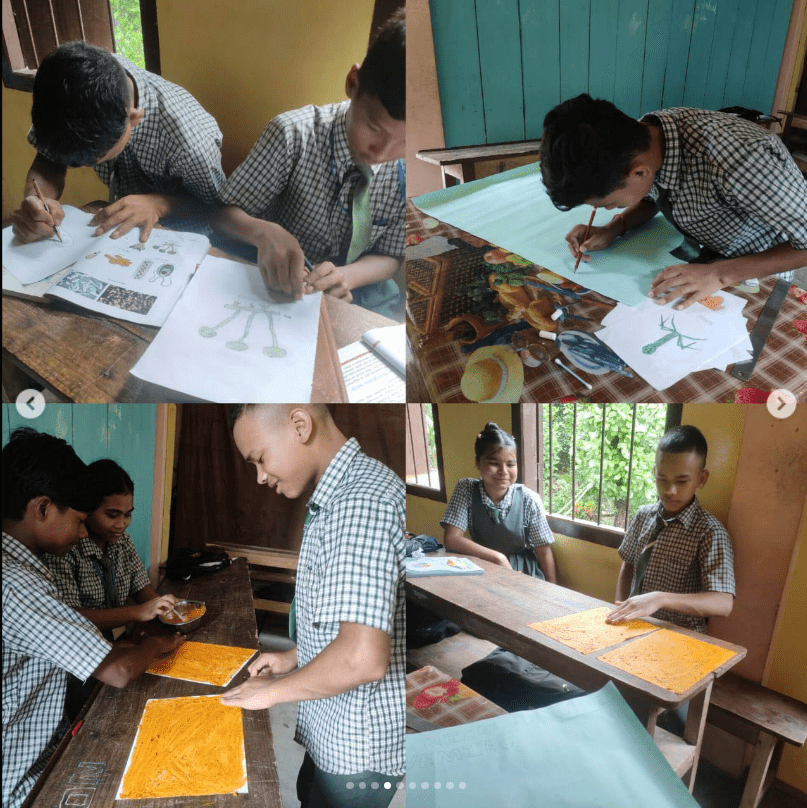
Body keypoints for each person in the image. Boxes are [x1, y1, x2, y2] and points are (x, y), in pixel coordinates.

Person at [221, 405, 405, 807]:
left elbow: (362, 658)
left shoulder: (361, 501)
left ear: (300, 425)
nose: (261, 476)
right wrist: (295, 656)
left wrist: (270, 693)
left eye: (261, 459)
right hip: (328, 726)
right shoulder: (336, 496)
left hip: (354, 746)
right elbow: (347, 622)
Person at [2, 428, 183, 808]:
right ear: (43, 508)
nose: (83, 532)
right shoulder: (19, 585)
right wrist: (154, 643)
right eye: (81, 520)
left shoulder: (21, 569)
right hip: (18, 781)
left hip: (39, 743)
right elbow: (117, 671)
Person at [210, 9, 406, 318]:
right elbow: (221, 216)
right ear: (353, 83)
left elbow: (390, 256)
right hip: (279, 294)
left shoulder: (407, 174)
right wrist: (262, 232)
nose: (381, 153)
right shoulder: (292, 136)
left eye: (406, 142)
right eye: (374, 128)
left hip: (354, 300)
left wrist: (347, 276)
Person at [540, 94, 807, 309]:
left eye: (609, 204)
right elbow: (652, 196)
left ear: (639, 172)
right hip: (709, 255)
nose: (603, 210)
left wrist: (719, 275)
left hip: (762, 269)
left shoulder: (744, 159)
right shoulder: (645, 137)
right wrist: (615, 226)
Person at [12, 41, 225, 244]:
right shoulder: (76, 81)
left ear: (134, 118)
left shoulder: (190, 143)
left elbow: (216, 211)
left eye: (95, 159)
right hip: (124, 227)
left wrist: (158, 204)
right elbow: (49, 162)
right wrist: (37, 205)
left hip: (183, 237)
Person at [607, 424, 735, 632]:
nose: (669, 491)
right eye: (662, 479)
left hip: (678, 637)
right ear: (654, 472)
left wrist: (661, 599)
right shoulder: (643, 516)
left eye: (682, 481)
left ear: (701, 479)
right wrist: (619, 605)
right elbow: (629, 564)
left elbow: (724, 603)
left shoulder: (709, 532)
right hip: (634, 626)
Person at [43, 459, 177, 639]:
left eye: (128, 515)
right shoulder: (65, 551)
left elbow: (139, 587)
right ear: (88, 509)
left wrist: (163, 606)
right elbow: (71, 615)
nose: (121, 525)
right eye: (112, 515)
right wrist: (137, 612)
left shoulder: (123, 543)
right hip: (85, 643)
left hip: (118, 638)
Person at [440, 422, 557, 581]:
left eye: (511, 464)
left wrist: (553, 590)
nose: (503, 472)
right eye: (494, 463)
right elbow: (452, 540)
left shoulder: (529, 500)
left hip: (523, 574)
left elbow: (543, 549)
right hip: (482, 567)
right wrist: (498, 558)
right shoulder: (466, 489)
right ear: (477, 463)